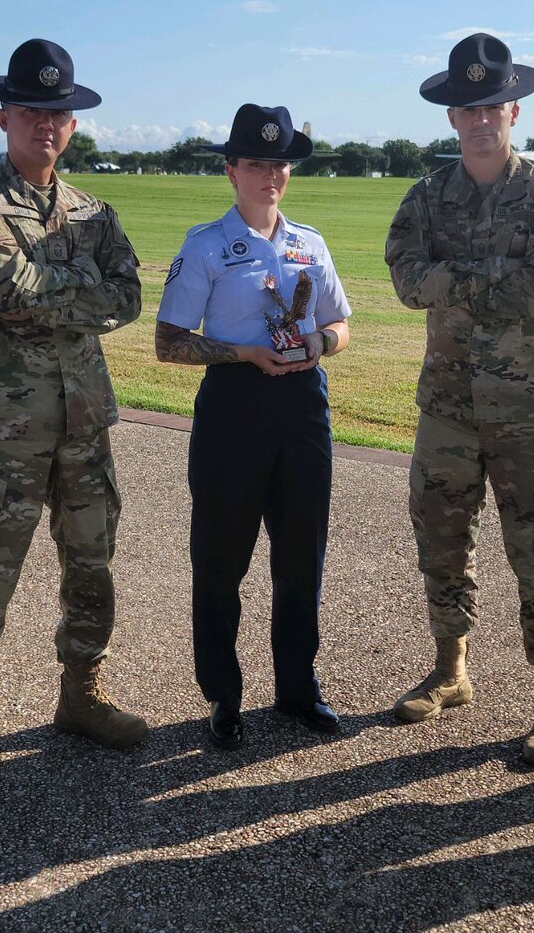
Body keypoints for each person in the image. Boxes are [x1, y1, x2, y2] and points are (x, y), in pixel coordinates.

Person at [0, 39, 145, 804]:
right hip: (4, 431)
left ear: (72, 125)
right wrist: (76, 285)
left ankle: (80, 694)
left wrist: (60, 286)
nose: (46, 127)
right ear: (5, 116)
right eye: (32, 112)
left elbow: (128, 298)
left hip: (84, 422)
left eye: (58, 114)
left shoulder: (93, 210)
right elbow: (10, 293)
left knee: (92, 566)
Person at [384, 32, 534, 767]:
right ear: (451, 118)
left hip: (527, 408)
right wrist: (491, 273)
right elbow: (407, 278)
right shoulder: (428, 195)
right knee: (440, 539)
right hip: (447, 404)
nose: (479, 119)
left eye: (491, 105)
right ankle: (451, 669)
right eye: (467, 108)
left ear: (514, 109)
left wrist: (458, 274)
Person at [155, 104, 352, 749]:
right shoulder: (206, 245)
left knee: (302, 556)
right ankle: (223, 695)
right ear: (231, 169)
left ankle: (297, 688)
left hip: (302, 404)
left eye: (279, 162)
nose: (270, 174)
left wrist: (317, 347)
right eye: (256, 162)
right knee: (220, 558)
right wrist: (243, 353)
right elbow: (170, 342)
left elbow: (340, 326)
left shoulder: (310, 244)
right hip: (234, 404)